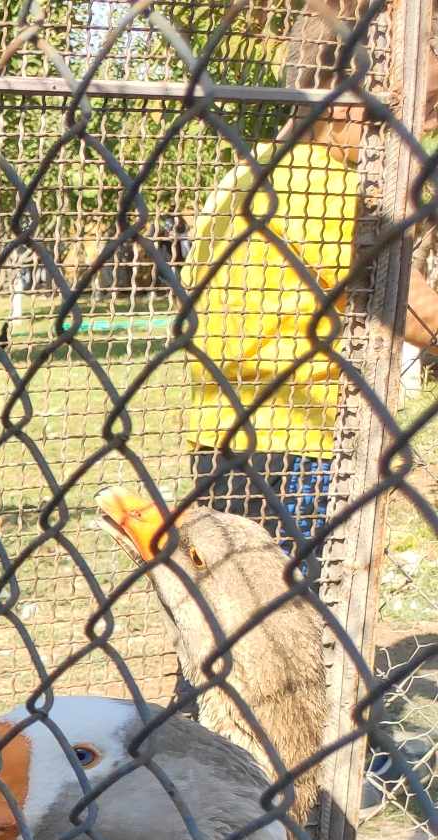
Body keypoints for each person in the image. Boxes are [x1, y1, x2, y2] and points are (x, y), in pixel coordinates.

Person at [182, 9, 438, 554]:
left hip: (214, 436)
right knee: (306, 615)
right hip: (297, 446)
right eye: (427, 104)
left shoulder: (244, 176)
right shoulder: (331, 187)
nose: (430, 126)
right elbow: (418, 314)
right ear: (349, 96)